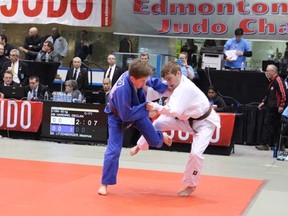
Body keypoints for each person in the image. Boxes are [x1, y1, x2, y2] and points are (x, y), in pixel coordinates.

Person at [130, 61, 220, 197]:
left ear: (179, 73)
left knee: (195, 154)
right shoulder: (174, 84)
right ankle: (140, 145)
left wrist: (157, 107)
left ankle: (191, 185)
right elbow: (158, 92)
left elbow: (174, 111)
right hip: (186, 120)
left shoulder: (186, 88)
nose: (168, 82)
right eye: (166, 80)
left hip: (204, 123)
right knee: (157, 124)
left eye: (170, 79)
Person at [98, 59, 172, 196]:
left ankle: (162, 136)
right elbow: (125, 116)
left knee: (155, 141)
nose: (144, 84)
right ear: (132, 78)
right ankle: (104, 183)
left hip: (137, 112)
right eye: (142, 82)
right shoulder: (122, 90)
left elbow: (150, 80)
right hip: (118, 117)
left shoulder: (135, 73)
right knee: (114, 150)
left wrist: (166, 88)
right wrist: (147, 110)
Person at [255, 64, 286, 151]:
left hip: (276, 108)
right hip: (272, 107)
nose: (266, 72)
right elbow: (269, 95)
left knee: (267, 124)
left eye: (268, 71)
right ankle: (280, 145)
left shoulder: (278, 80)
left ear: (273, 71)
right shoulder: (272, 81)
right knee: (276, 127)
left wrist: (281, 105)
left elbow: (283, 94)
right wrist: (264, 102)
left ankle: (264, 144)